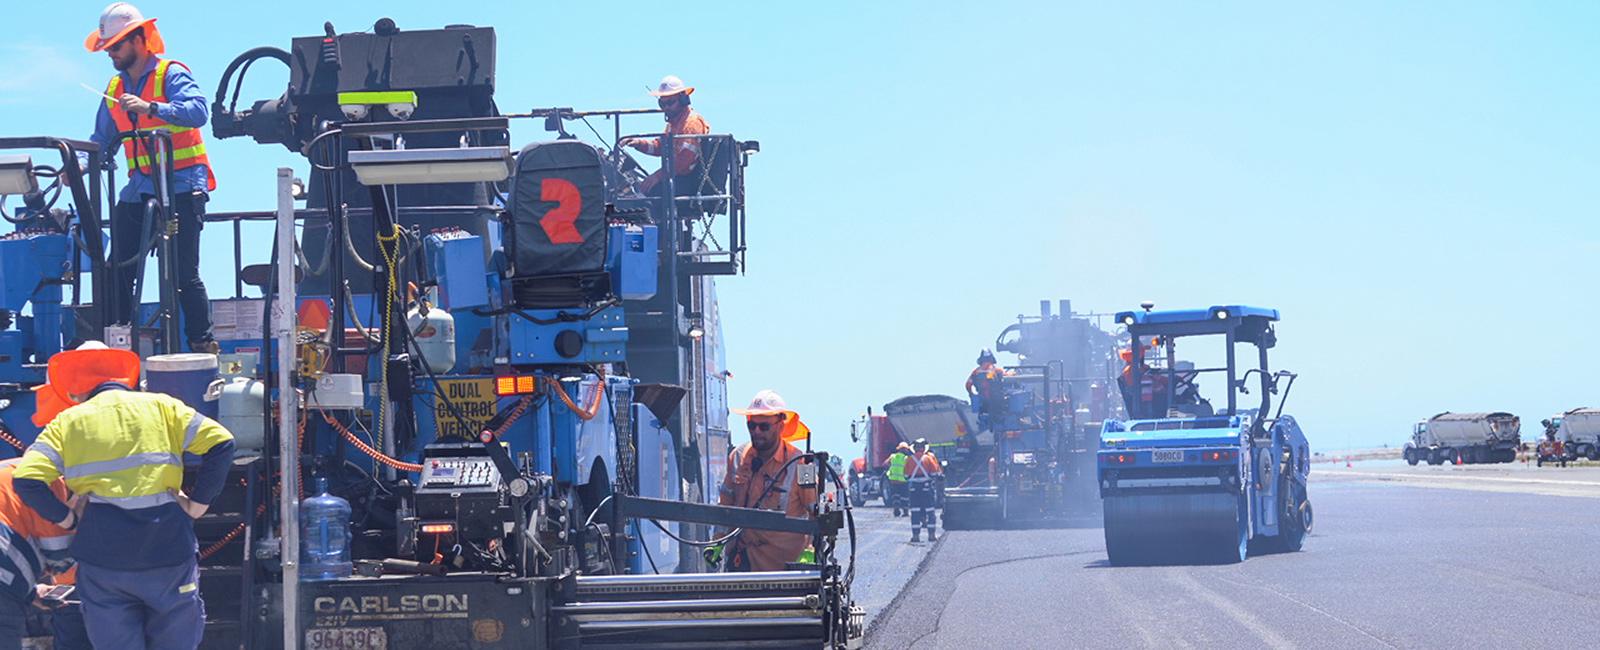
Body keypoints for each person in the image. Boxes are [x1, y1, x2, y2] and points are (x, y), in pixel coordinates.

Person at [15, 343, 236, 650]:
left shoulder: (68, 422)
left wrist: (68, 517)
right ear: (123, 377)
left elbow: (26, 480)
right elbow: (222, 444)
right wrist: (198, 504)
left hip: (103, 561)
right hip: (168, 552)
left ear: (76, 388)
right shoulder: (163, 407)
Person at [87, 3, 218, 354]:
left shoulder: (171, 74)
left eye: (115, 45)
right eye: (107, 47)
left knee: (182, 274)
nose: (110, 53)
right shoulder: (115, 87)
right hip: (141, 188)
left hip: (182, 187)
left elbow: (198, 112)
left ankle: (202, 345)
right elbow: (101, 139)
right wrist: (82, 165)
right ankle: (116, 342)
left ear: (139, 40)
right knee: (117, 268)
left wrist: (152, 109)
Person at [717, 390, 817, 573]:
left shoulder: (803, 465)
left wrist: (811, 550)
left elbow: (816, 512)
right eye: (751, 425)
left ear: (780, 425)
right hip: (742, 565)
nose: (756, 432)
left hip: (783, 573)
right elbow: (725, 504)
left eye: (763, 427)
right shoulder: (738, 457)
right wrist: (717, 540)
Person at [0, 459, 80, 649]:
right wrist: (74, 522)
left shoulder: (8, 470)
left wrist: (32, 592)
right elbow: (60, 560)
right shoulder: (50, 483)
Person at [621, 75, 710, 197]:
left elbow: (683, 160)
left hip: (689, 181)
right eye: (662, 104)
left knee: (650, 193)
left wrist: (657, 177)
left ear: (683, 100)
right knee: (638, 190)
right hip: (676, 177)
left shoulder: (691, 124)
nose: (666, 108)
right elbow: (661, 147)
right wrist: (638, 143)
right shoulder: (674, 124)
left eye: (670, 102)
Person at [903, 438, 942, 542]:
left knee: (915, 512)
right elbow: (934, 473)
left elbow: (906, 475)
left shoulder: (909, 459)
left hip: (914, 490)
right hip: (926, 489)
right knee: (930, 512)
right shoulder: (928, 459)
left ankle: (916, 536)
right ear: (923, 448)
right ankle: (931, 535)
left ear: (914, 448)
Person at [884, 442, 911, 517]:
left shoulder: (893, 456)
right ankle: (905, 512)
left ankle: (896, 509)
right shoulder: (906, 458)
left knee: (895, 496)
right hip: (903, 480)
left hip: (893, 480)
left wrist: (890, 468)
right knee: (904, 496)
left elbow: (885, 464)